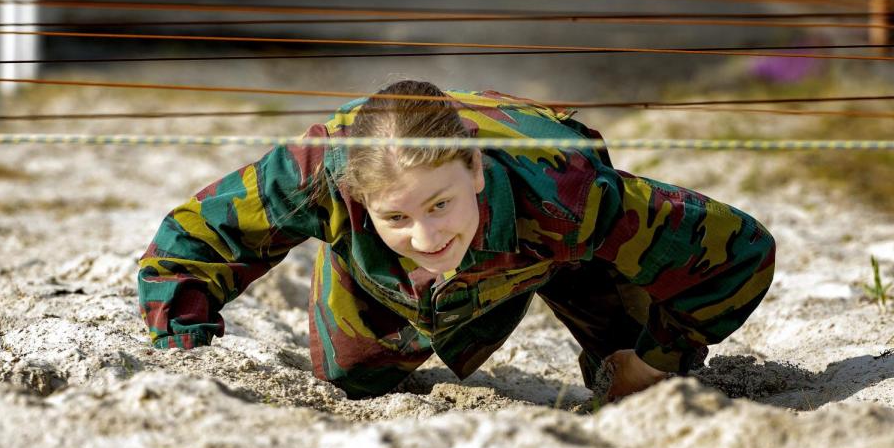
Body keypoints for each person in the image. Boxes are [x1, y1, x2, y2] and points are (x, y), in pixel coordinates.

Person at [138, 80, 776, 403]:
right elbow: (191, 240)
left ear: (474, 167)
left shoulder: (568, 190)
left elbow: (739, 252)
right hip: (386, 276)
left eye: (439, 204)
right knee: (351, 380)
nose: (427, 236)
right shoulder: (313, 174)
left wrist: (654, 360)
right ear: (356, 201)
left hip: (553, 248)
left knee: (640, 390)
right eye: (397, 216)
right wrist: (186, 351)